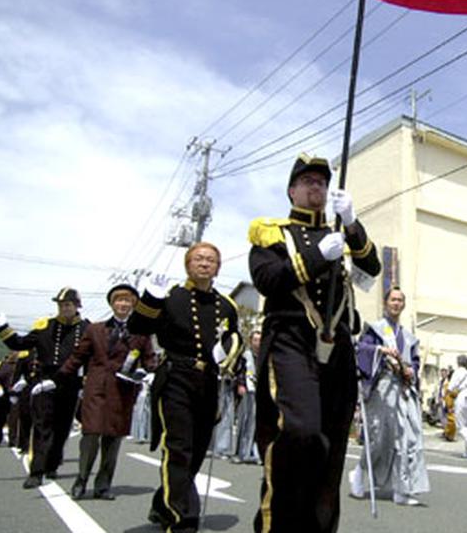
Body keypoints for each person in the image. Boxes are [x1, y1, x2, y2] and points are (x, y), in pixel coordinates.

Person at [248, 153, 381, 533]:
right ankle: (277, 523)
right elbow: (268, 280)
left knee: (331, 445)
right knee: (300, 430)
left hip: (337, 347)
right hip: (291, 339)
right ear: (292, 191)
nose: (316, 187)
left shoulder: (339, 234)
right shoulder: (272, 232)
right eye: (307, 181)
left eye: (321, 182)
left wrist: (353, 223)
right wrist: (318, 256)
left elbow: (372, 268)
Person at [128, 242, 242, 533]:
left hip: (208, 382)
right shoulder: (170, 297)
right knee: (178, 448)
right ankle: (182, 520)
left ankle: (162, 504)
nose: (205, 264)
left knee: (197, 450)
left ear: (218, 267)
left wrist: (228, 351)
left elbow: (234, 337)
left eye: (211, 260)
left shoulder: (226, 304)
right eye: (199, 259)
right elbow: (137, 327)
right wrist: (150, 299)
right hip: (176, 376)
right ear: (188, 264)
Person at [59, 284, 156, 500]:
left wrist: (150, 371)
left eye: (128, 301)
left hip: (123, 390)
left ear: (133, 305)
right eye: (119, 300)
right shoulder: (95, 329)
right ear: (112, 304)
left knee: (113, 439)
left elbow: (149, 359)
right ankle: (81, 481)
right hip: (97, 388)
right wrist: (59, 378)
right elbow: (78, 356)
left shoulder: (140, 333)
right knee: (90, 435)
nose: (123, 304)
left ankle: (103, 485)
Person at [0, 287, 91, 488]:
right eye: (60, 305)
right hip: (44, 383)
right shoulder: (46, 326)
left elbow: (93, 358)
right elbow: (20, 343)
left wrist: (85, 383)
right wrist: (3, 328)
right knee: (43, 426)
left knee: (62, 428)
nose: (64, 308)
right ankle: (36, 471)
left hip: (71, 384)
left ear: (77, 306)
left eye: (68, 305)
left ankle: (52, 465)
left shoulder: (87, 328)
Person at [350, 286, 430, 506]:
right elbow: (362, 349)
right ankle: (359, 471)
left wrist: (410, 370)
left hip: (404, 390)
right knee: (380, 437)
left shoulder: (408, 337)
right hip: (382, 388)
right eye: (393, 300)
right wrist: (381, 351)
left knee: (408, 438)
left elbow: (414, 361)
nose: (396, 303)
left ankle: (402, 489)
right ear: (386, 303)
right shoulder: (375, 329)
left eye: (400, 300)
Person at [231, 330, 261, 464]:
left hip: (257, 392)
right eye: (255, 340)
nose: (257, 343)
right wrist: (241, 384)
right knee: (243, 421)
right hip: (247, 390)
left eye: (259, 340)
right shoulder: (246, 356)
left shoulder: (262, 356)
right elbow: (240, 371)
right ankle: (240, 453)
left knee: (253, 424)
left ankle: (250, 452)